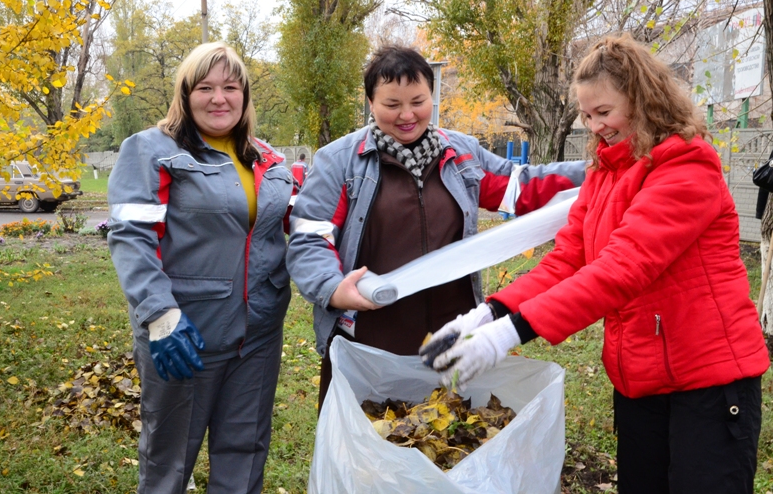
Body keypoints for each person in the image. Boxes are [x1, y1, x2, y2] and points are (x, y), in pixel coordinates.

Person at [422, 34, 770, 494]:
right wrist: (488, 313)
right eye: (586, 116)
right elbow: (568, 260)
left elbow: (621, 269)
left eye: (604, 113)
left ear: (644, 100)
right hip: (641, 384)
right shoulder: (605, 173)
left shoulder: (687, 167)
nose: (594, 126)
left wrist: (510, 334)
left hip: (707, 386)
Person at [286, 45, 587, 409]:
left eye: (418, 101)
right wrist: (333, 289)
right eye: (392, 104)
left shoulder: (460, 152)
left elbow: (521, 185)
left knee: (447, 445)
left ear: (433, 95)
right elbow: (309, 239)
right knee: (370, 451)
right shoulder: (339, 162)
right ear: (370, 102)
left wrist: (598, 170)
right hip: (370, 342)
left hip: (450, 336)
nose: (407, 115)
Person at [107, 42, 293, 494]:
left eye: (231, 87)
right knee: (169, 462)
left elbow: (297, 230)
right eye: (205, 87)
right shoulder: (152, 150)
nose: (219, 98)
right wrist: (160, 315)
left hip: (258, 336)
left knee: (245, 454)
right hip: (185, 334)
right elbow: (131, 237)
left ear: (245, 96)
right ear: (185, 94)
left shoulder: (267, 158)